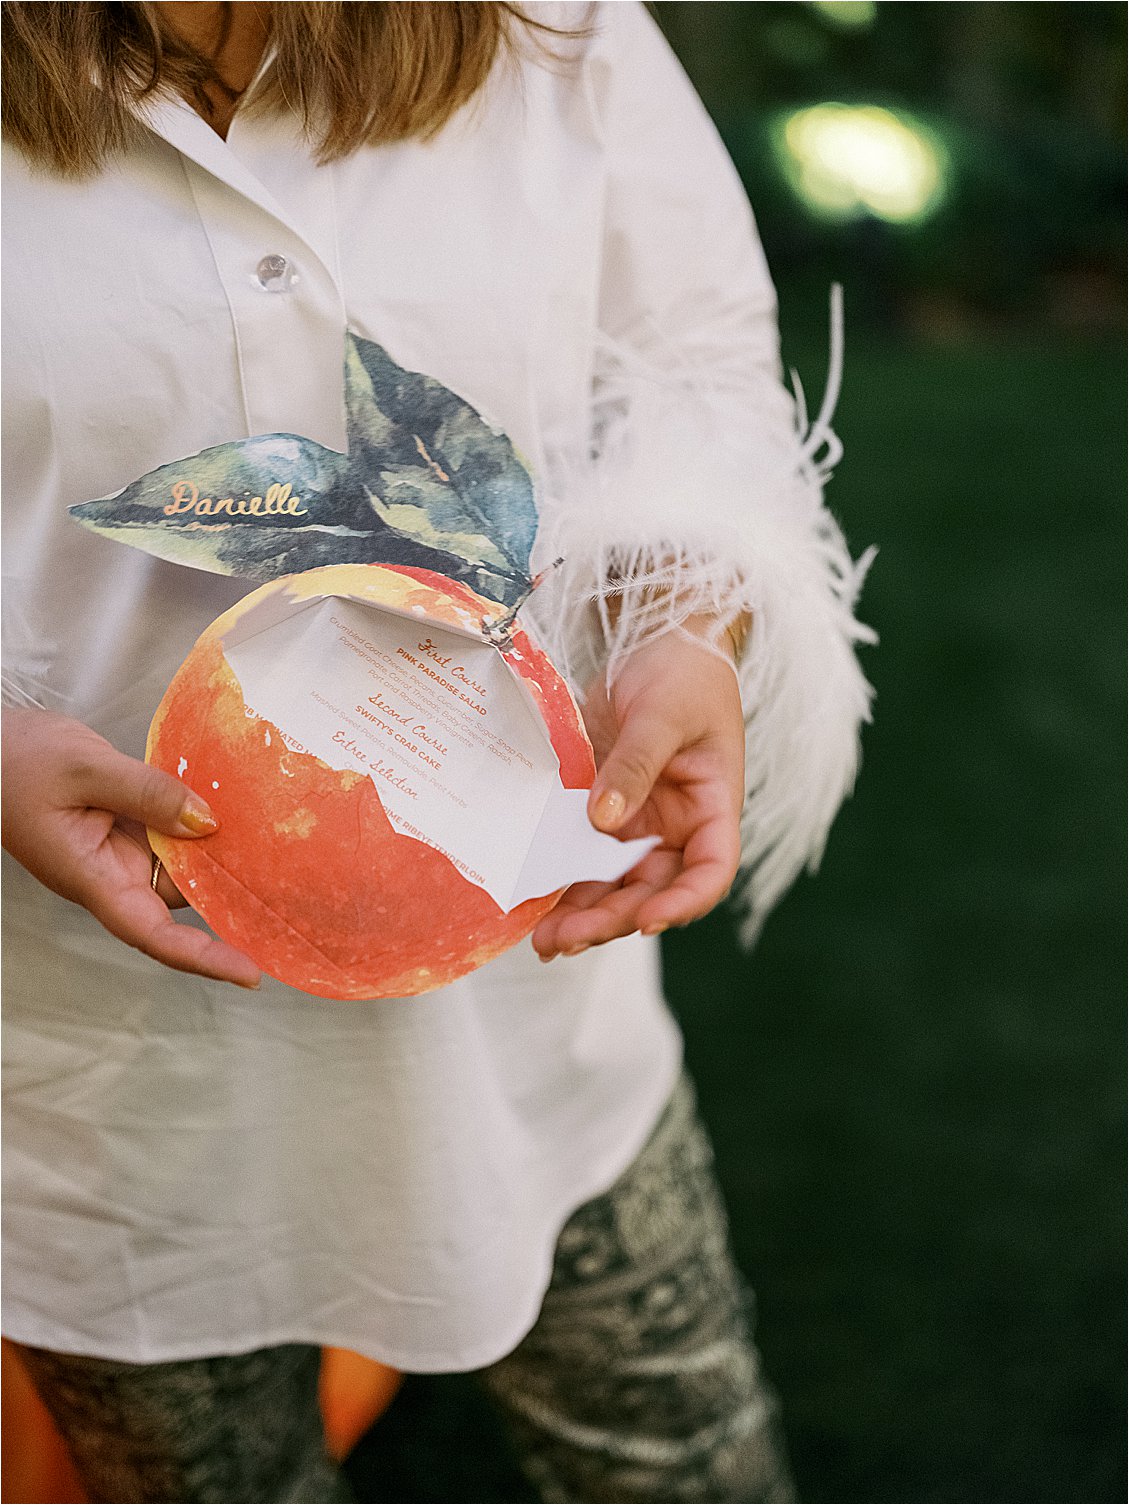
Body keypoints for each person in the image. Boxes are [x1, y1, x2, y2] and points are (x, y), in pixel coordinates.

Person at [1, 3, 872, 1501]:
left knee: (681, 1461)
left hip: (534, 999)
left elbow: (689, 357)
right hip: (108, 1069)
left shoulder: (554, 24)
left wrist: (684, 612)